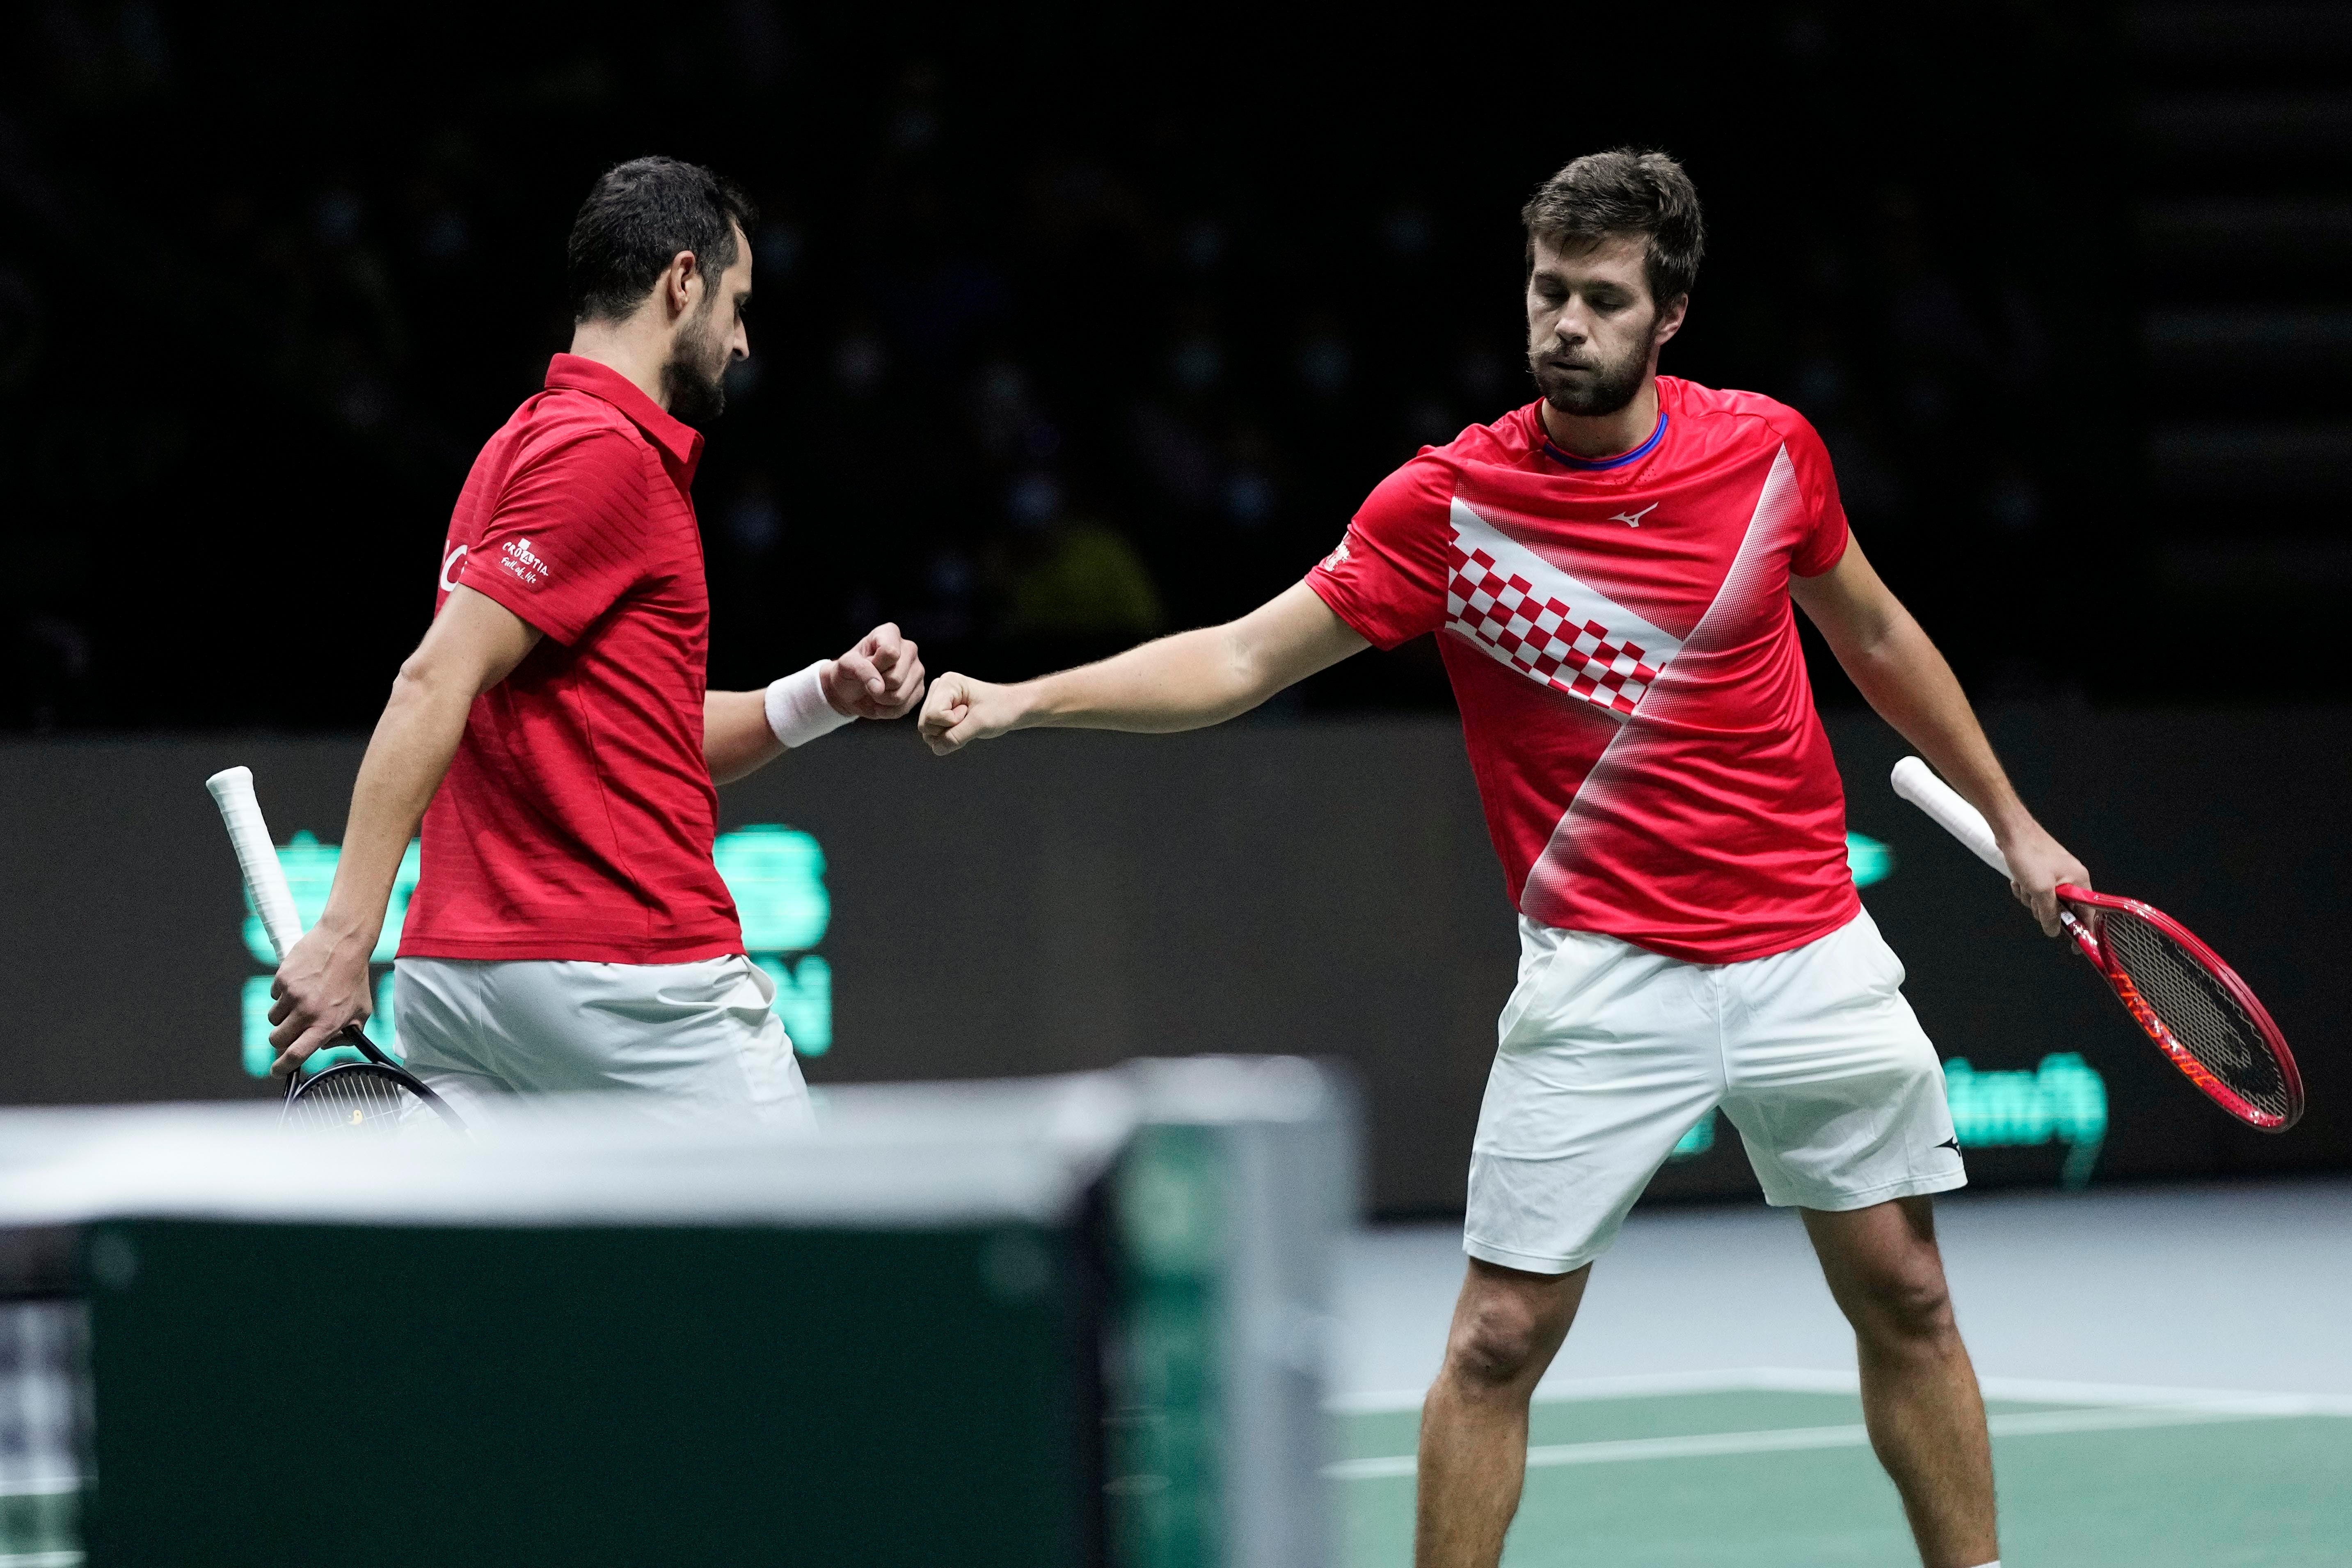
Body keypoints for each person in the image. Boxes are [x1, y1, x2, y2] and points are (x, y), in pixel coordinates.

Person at [918, 148, 2077, 1568]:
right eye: (1546, 291)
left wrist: (2013, 820)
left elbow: (1878, 635)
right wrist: (1028, 699)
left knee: (1906, 1293)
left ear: (1670, 316)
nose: (1564, 324)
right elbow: (1242, 656)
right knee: (1496, 1337)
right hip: (1602, 979)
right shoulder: (1448, 508)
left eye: (1600, 298)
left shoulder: (1770, 454)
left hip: (1805, 952)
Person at [268, 156, 924, 1126]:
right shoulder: (603, 455)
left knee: (538, 1281)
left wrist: (825, 694)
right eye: (737, 304)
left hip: (467, 988)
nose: (742, 342)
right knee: (810, 1261)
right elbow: (431, 681)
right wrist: (344, 931)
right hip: (627, 975)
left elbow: (635, 734)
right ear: (683, 280)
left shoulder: (516, 450)